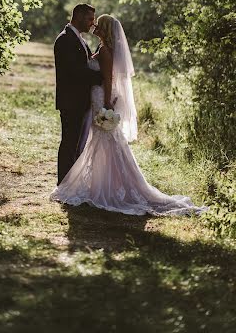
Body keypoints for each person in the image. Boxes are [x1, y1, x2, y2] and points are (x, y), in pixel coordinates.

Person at [51, 14, 207, 216]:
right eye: (92, 20)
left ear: (105, 28)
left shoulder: (105, 51)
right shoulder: (101, 48)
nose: (94, 24)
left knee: (105, 142)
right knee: (99, 142)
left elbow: (108, 80)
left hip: (101, 101)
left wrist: (107, 105)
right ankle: (100, 183)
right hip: (95, 99)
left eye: (98, 22)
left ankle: (109, 187)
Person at [54, 4, 102, 185]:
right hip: (71, 101)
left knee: (76, 144)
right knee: (69, 144)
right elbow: (76, 71)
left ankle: (71, 184)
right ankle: (64, 184)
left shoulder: (78, 38)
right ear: (79, 16)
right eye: (90, 18)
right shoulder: (65, 39)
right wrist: (102, 77)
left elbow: (86, 63)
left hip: (80, 101)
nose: (92, 23)